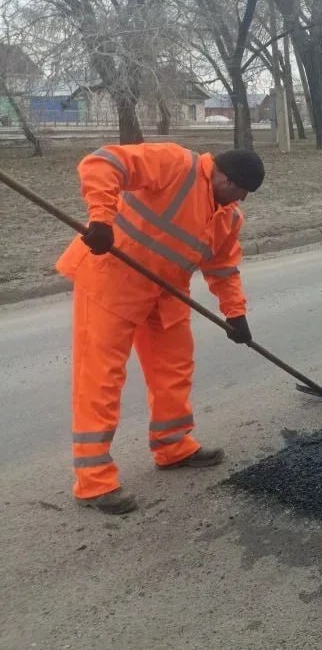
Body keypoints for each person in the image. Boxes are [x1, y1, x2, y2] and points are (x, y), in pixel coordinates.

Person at [56, 143, 265, 514]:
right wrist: (101, 219)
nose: (243, 199)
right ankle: (94, 481)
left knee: (174, 369)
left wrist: (236, 314)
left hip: (166, 294)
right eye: (240, 190)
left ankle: (173, 446)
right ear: (222, 176)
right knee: (100, 380)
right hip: (112, 282)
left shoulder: (228, 216)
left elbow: (222, 268)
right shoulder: (175, 164)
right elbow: (102, 162)